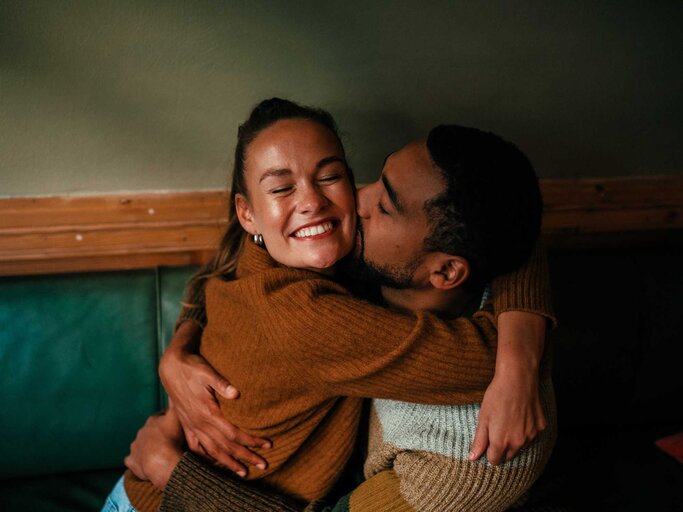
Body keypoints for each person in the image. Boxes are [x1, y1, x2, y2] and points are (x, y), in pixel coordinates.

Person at [110, 98, 555, 511]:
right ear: (249, 214)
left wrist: (179, 353)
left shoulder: (291, 250)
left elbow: (505, 226)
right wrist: (520, 364)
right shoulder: (307, 304)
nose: (315, 202)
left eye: (330, 177)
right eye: (282, 188)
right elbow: (487, 337)